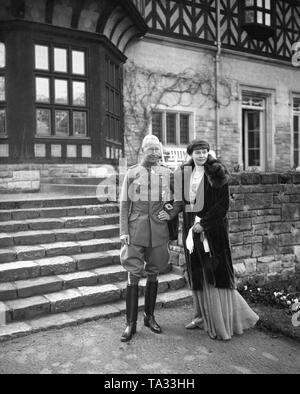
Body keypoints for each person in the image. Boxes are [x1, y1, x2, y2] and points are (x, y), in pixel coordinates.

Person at [159, 140, 259, 341]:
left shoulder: (217, 173)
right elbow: (180, 202)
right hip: (191, 230)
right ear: (191, 154)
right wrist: (168, 214)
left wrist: (203, 224)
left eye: (204, 151)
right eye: (197, 152)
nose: (202, 155)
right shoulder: (184, 173)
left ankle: (219, 322)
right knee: (197, 273)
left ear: (208, 153)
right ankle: (201, 317)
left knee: (214, 273)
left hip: (212, 231)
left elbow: (223, 206)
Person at [119, 135, 173, 342]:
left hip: (159, 231)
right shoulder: (132, 173)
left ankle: (149, 317)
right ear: (142, 150)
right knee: (133, 272)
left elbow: (175, 201)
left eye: (156, 149)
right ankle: (130, 324)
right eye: (149, 149)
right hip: (135, 229)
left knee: (154, 271)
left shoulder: (167, 173)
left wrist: (168, 213)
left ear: (160, 151)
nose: (153, 152)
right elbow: (124, 204)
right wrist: (123, 231)